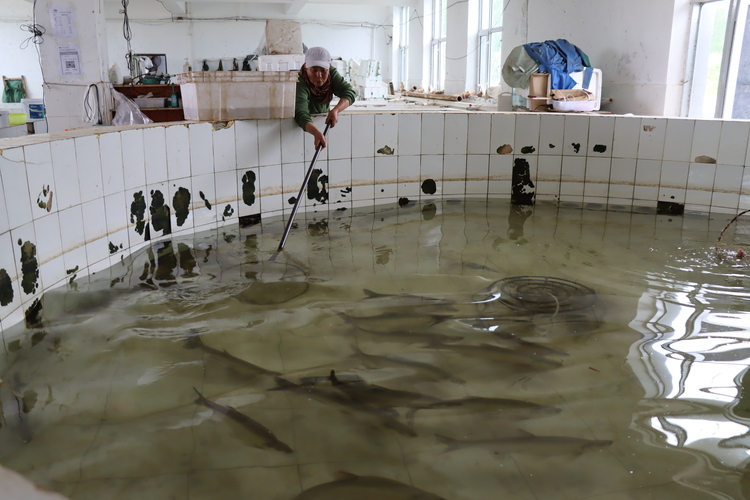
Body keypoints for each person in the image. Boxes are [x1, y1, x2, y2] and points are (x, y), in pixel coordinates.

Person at [295, 46, 356, 149]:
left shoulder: (331, 73)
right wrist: (316, 133)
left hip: (323, 124)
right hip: (305, 130)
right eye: (314, 70)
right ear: (306, 67)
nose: (319, 75)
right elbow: (301, 114)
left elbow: (349, 92)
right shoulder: (300, 81)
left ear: (328, 68)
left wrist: (336, 110)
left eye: (323, 70)